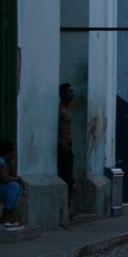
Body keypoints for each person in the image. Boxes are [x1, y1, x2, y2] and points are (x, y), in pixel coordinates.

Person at [58, 82, 74, 217]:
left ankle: (69, 207)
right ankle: (66, 208)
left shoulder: (68, 109)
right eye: (69, 91)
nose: (72, 94)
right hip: (63, 146)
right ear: (62, 93)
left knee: (70, 178)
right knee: (66, 176)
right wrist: (62, 142)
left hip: (68, 145)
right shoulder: (60, 109)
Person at [0, 139, 24, 230]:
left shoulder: (7, 162)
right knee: (13, 186)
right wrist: (18, 179)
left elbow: (14, 175)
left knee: (18, 186)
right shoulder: (0, 161)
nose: (15, 153)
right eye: (14, 151)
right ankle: (6, 216)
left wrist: (11, 164)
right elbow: (5, 179)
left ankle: (9, 216)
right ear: (8, 152)